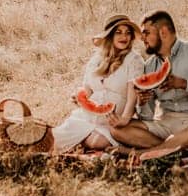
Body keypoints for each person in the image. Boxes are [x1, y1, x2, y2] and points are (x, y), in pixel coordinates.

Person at [110, 10, 188, 162]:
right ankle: (177, 150)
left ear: (163, 32)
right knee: (117, 130)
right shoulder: (150, 65)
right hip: (167, 123)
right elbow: (148, 117)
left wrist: (184, 84)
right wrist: (143, 103)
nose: (141, 37)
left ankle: (142, 154)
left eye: (146, 32)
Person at [51, 14, 145, 153]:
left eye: (127, 33)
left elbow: (133, 95)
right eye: (118, 32)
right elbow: (88, 89)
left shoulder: (134, 60)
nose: (124, 37)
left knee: (97, 142)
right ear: (109, 36)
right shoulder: (96, 59)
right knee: (54, 139)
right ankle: (83, 143)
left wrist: (125, 119)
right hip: (86, 117)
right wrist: (78, 97)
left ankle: (86, 144)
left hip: (111, 121)